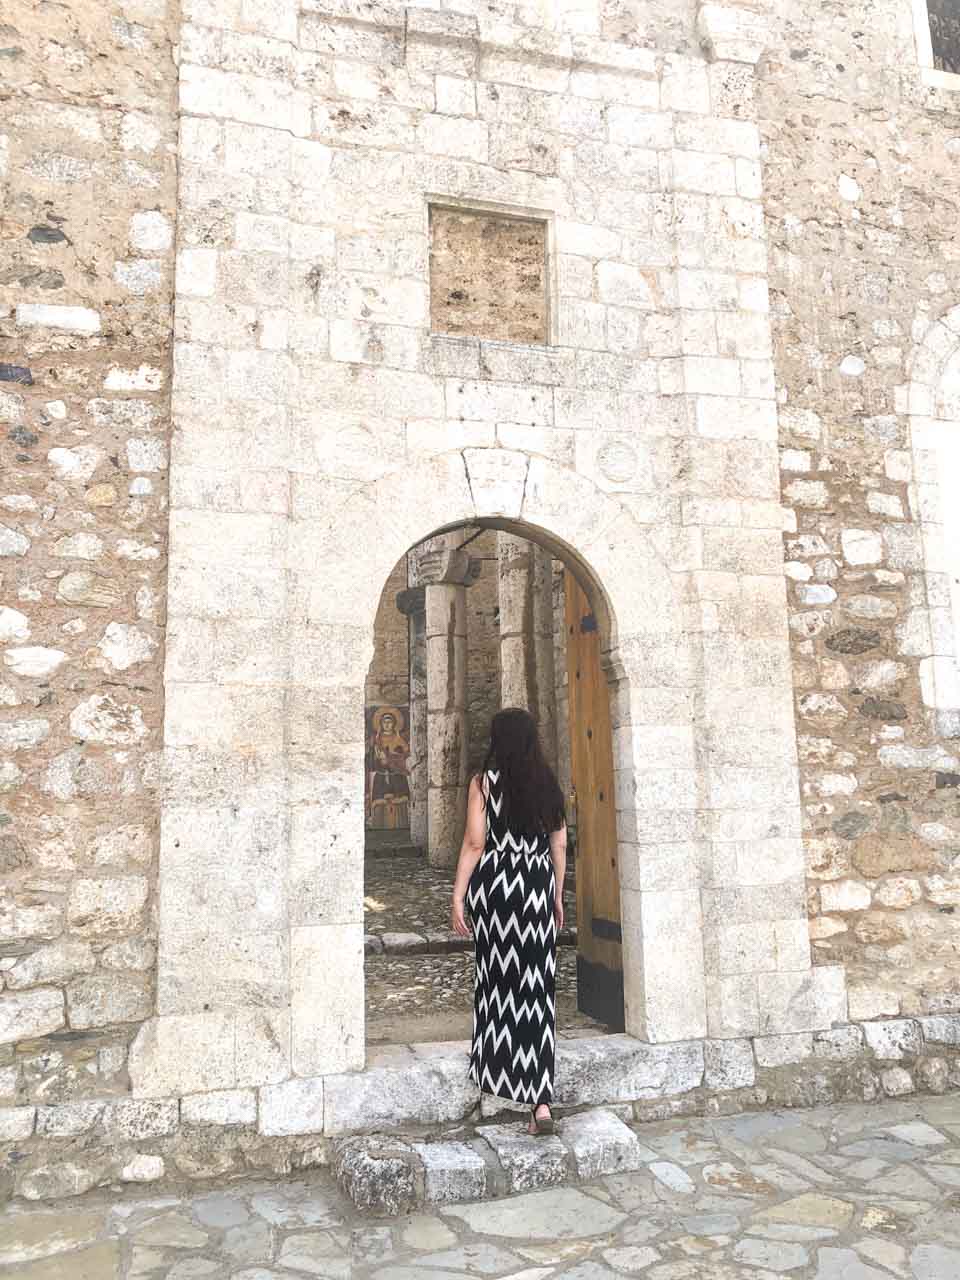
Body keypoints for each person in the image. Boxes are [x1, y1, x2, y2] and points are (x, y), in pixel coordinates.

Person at [450, 707, 567, 1136]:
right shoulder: (548, 786)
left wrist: (458, 896)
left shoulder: (483, 784)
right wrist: (555, 895)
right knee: (537, 991)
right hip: (535, 888)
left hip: (498, 892)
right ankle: (540, 1100)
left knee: (498, 985)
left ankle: (497, 1072)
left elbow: (475, 842)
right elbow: (558, 846)